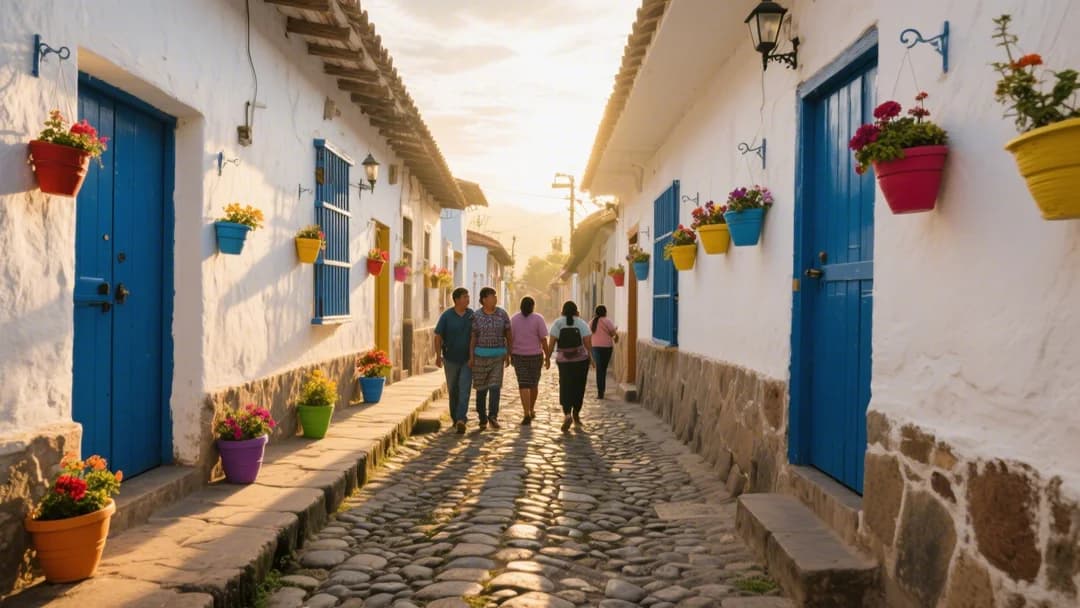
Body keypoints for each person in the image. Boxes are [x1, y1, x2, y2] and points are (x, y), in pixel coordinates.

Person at [468, 286, 512, 430]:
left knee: (495, 386)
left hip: (497, 356)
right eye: (492, 296)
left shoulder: (502, 314)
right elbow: (473, 336)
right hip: (480, 356)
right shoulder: (476, 316)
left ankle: (493, 415)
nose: (495, 298)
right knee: (481, 389)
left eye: (495, 295)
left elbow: (508, 333)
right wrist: (471, 356)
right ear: (484, 300)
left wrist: (508, 353)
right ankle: (482, 417)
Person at [547, 300, 593, 432]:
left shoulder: (558, 323)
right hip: (581, 361)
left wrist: (547, 358)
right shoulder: (581, 323)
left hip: (564, 362)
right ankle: (576, 414)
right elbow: (587, 343)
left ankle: (567, 413)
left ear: (562, 311)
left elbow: (552, 343)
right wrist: (593, 358)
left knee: (565, 385)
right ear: (576, 311)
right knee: (579, 386)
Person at [434, 288, 474, 434]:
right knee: (453, 390)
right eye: (465, 296)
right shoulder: (447, 316)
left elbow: (476, 336)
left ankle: (461, 419)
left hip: (467, 360)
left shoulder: (472, 315)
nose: (468, 299)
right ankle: (454, 417)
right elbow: (438, 336)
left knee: (465, 388)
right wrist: (438, 356)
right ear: (456, 299)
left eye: (468, 296)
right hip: (450, 359)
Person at [510, 296, 550, 425]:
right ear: (533, 306)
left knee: (523, 384)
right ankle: (531, 409)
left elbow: (510, 339)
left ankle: (526, 412)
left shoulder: (514, 319)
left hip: (519, 355)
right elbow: (543, 340)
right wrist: (547, 357)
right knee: (533, 384)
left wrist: (509, 354)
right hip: (535, 356)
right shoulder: (539, 319)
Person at [590, 305, 619, 399]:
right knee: (604, 369)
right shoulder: (608, 321)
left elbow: (588, 334)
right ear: (605, 312)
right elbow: (614, 334)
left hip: (595, 347)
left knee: (599, 369)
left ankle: (600, 392)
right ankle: (602, 390)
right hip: (607, 347)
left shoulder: (592, 322)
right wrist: (615, 337)